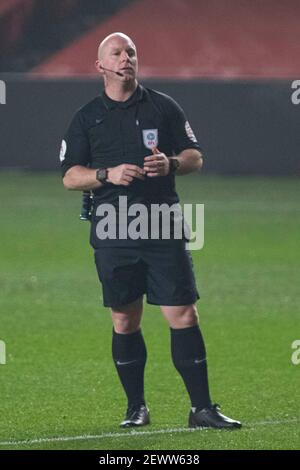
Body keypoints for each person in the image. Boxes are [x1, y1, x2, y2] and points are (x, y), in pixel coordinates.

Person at [60, 32, 241, 430]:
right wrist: (107, 174)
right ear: (101, 66)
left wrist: (172, 164)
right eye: (117, 53)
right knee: (125, 320)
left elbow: (195, 156)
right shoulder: (87, 117)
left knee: (183, 313)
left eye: (132, 52)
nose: (126, 58)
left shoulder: (163, 106)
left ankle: (202, 409)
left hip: (162, 225)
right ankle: (136, 408)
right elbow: (71, 177)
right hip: (113, 229)